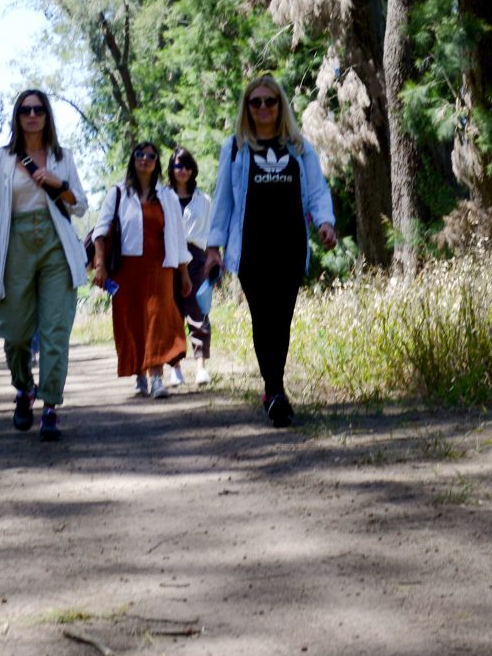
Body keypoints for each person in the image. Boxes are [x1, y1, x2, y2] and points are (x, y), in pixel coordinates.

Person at [203, 74, 336, 428]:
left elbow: (318, 192)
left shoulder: (299, 147)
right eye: (255, 102)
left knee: (282, 319)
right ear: (246, 108)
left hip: (290, 244)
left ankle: (273, 389)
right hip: (251, 248)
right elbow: (224, 200)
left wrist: (325, 223)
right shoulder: (234, 147)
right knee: (263, 318)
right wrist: (213, 247)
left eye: (270, 101)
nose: (263, 108)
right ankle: (274, 390)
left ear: (281, 106)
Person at [0, 89, 88, 443]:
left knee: (55, 331)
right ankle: (24, 388)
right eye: (25, 110)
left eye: (38, 109)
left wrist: (57, 182)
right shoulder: (2, 159)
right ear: (17, 117)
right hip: (15, 244)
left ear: (47, 115)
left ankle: (50, 406)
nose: (32, 115)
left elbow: (79, 205)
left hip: (55, 244)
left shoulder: (61, 156)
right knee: (17, 333)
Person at [94, 142, 190, 397]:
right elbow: (100, 232)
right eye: (139, 154)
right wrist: (100, 266)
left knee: (158, 318)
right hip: (127, 268)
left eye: (150, 155)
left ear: (157, 162)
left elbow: (179, 238)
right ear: (133, 159)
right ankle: (139, 373)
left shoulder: (167, 196)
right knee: (131, 320)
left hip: (160, 267)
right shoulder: (117, 193)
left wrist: (184, 273)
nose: (145, 159)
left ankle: (157, 377)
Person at [169, 149, 214, 390]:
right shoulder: (163, 197)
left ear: (193, 169)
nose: (182, 170)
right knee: (172, 312)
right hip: (169, 257)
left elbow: (209, 230)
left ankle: (201, 367)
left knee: (198, 311)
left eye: (187, 165)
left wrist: (212, 258)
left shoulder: (203, 199)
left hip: (197, 255)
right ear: (171, 169)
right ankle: (175, 368)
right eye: (178, 166)